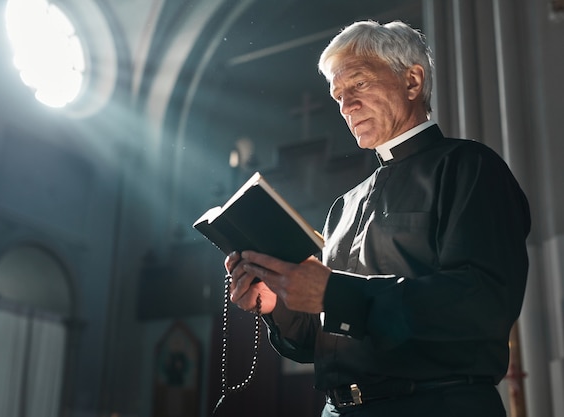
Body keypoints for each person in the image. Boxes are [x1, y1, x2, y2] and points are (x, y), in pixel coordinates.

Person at [224, 20, 530, 417]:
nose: (346, 107)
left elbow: (480, 306)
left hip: (435, 404)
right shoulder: (344, 206)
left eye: (360, 85)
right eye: (338, 96)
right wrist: (277, 304)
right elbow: (319, 341)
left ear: (412, 81)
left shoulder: (469, 168)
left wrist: (335, 294)